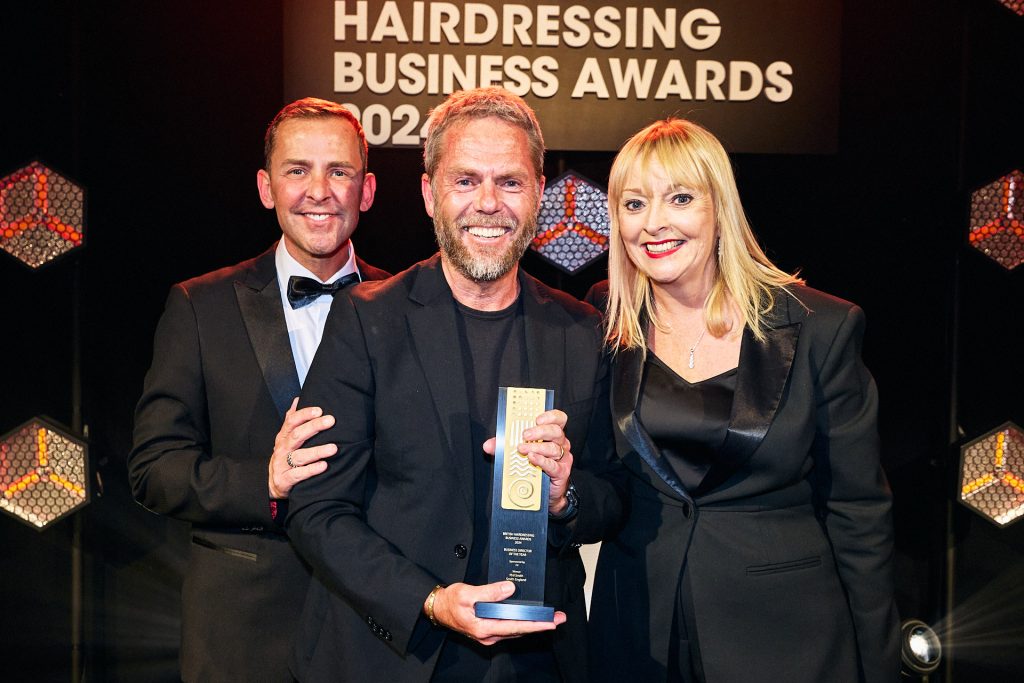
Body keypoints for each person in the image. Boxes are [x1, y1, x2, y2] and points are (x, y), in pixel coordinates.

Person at [285, 87, 623, 682]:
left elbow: (614, 497)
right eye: (465, 181)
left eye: (510, 182)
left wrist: (567, 497)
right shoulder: (367, 320)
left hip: (538, 665)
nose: (488, 203)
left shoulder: (582, 330)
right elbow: (317, 510)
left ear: (540, 194)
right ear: (428, 194)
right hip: (394, 656)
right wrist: (431, 600)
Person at [585, 118, 899, 682]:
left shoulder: (818, 326)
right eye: (634, 204)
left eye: (680, 198)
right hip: (636, 632)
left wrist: (877, 666)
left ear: (719, 207)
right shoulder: (610, 317)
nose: (654, 223)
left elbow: (859, 515)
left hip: (785, 641)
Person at [128, 97, 390, 682]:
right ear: (266, 187)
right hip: (243, 639)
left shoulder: (409, 306)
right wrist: (265, 485)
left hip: (376, 632)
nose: (318, 191)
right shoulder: (200, 306)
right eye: (297, 170)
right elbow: (153, 468)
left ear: (366, 190)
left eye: (339, 171)